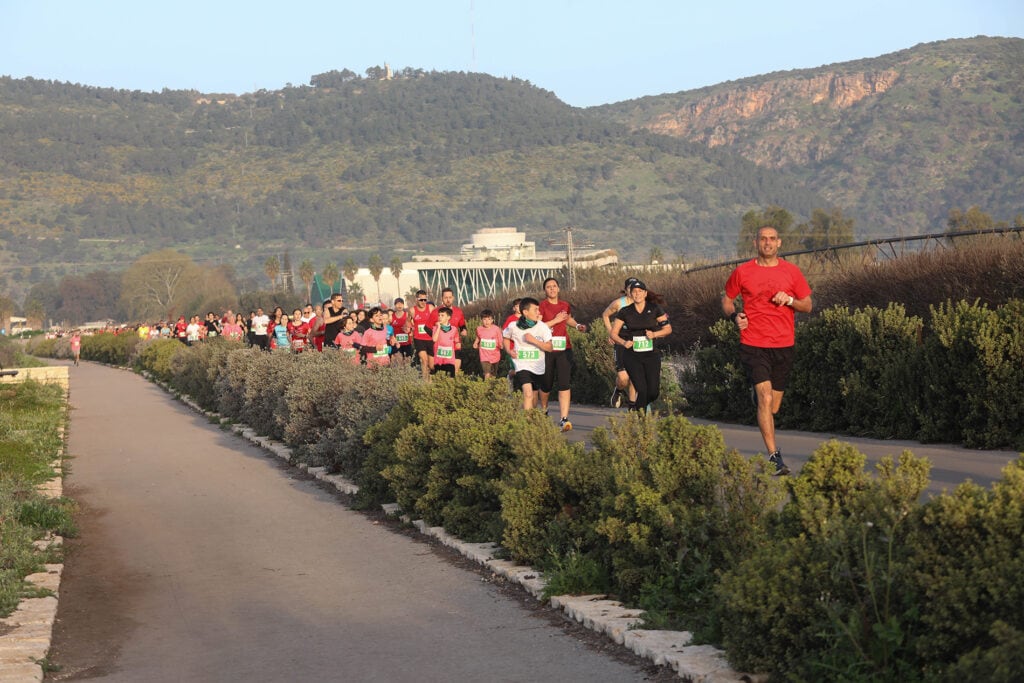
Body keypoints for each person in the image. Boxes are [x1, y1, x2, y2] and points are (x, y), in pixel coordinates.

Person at [722, 225, 813, 476]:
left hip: (783, 345)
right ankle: (775, 457)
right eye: (763, 239)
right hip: (753, 343)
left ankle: (759, 399)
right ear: (756, 243)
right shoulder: (743, 272)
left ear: (779, 243)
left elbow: (807, 305)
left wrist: (791, 301)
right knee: (765, 398)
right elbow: (727, 300)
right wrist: (734, 316)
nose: (768, 243)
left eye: (772, 239)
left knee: (773, 406)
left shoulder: (791, 272)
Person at [609, 280, 672, 415]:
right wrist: (623, 342)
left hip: (651, 355)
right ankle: (641, 421)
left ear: (645, 293)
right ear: (630, 294)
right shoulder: (625, 312)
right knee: (641, 390)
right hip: (632, 356)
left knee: (653, 392)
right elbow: (614, 334)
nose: (637, 294)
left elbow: (667, 329)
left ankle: (638, 407)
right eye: (634, 292)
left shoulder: (655, 309)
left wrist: (654, 333)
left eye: (639, 291)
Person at [538, 277, 587, 432]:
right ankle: (544, 410)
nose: (552, 289)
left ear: (558, 289)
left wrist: (577, 325)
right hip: (547, 349)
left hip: (564, 348)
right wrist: (555, 320)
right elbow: (538, 327)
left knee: (564, 383)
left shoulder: (565, 305)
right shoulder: (541, 306)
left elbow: (568, 319)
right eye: (548, 287)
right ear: (545, 290)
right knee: (546, 384)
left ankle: (564, 419)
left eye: (554, 286)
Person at [502, 297, 554, 411]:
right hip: (522, 365)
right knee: (528, 393)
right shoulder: (513, 326)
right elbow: (505, 337)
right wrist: (509, 351)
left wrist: (534, 341)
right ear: (525, 312)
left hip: (537, 366)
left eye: (538, 309)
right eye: (535, 310)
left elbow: (550, 348)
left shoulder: (542, 327)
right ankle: (527, 426)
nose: (539, 313)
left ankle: (532, 419)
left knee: (534, 397)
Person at [602, 277, 641, 409]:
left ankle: (632, 407)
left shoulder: (642, 302)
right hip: (621, 341)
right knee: (624, 379)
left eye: (637, 288)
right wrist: (611, 332)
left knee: (634, 377)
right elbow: (605, 315)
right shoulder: (619, 303)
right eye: (631, 288)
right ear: (626, 290)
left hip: (636, 342)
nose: (634, 291)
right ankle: (618, 390)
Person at [427, 288, 467, 373]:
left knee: (455, 370)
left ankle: (451, 385)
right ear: (442, 298)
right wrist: (437, 337)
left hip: (454, 345)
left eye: (450, 297)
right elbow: (427, 328)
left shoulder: (458, 311)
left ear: (453, 298)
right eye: (445, 298)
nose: (448, 300)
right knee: (435, 369)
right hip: (440, 347)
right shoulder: (435, 312)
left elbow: (462, 324)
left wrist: (464, 330)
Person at [409, 290, 436, 379]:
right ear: (416, 300)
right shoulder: (412, 310)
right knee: (424, 360)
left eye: (425, 300)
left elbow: (437, 320)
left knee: (431, 365)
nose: (423, 302)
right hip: (419, 339)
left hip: (430, 339)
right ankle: (425, 383)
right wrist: (409, 328)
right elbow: (407, 322)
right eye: (421, 300)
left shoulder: (431, 308)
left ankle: (432, 381)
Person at [473, 309, 503, 379]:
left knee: (493, 375)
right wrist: (475, 343)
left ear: (492, 320)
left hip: (495, 355)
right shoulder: (479, 329)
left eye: (489, 319)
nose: (487, 322)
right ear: (481, 320)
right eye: (484, 319)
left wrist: (501, 345)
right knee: (487, 373)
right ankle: (486, 387)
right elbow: (478, 337)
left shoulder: (496, 329)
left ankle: (492, 387)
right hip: (484, 356)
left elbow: (500, 339)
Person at [431, 307, 460, 378]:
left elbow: (457, 341)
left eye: (442, 315)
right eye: (439, 315)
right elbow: (434, 339)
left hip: (449, 359)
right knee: (437, 379)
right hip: (438, 360)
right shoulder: (435, 328)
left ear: (448, 317)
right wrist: (438, 327)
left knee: (450, 379)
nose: (440, 317)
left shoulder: (454, 329)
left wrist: (457, 344)